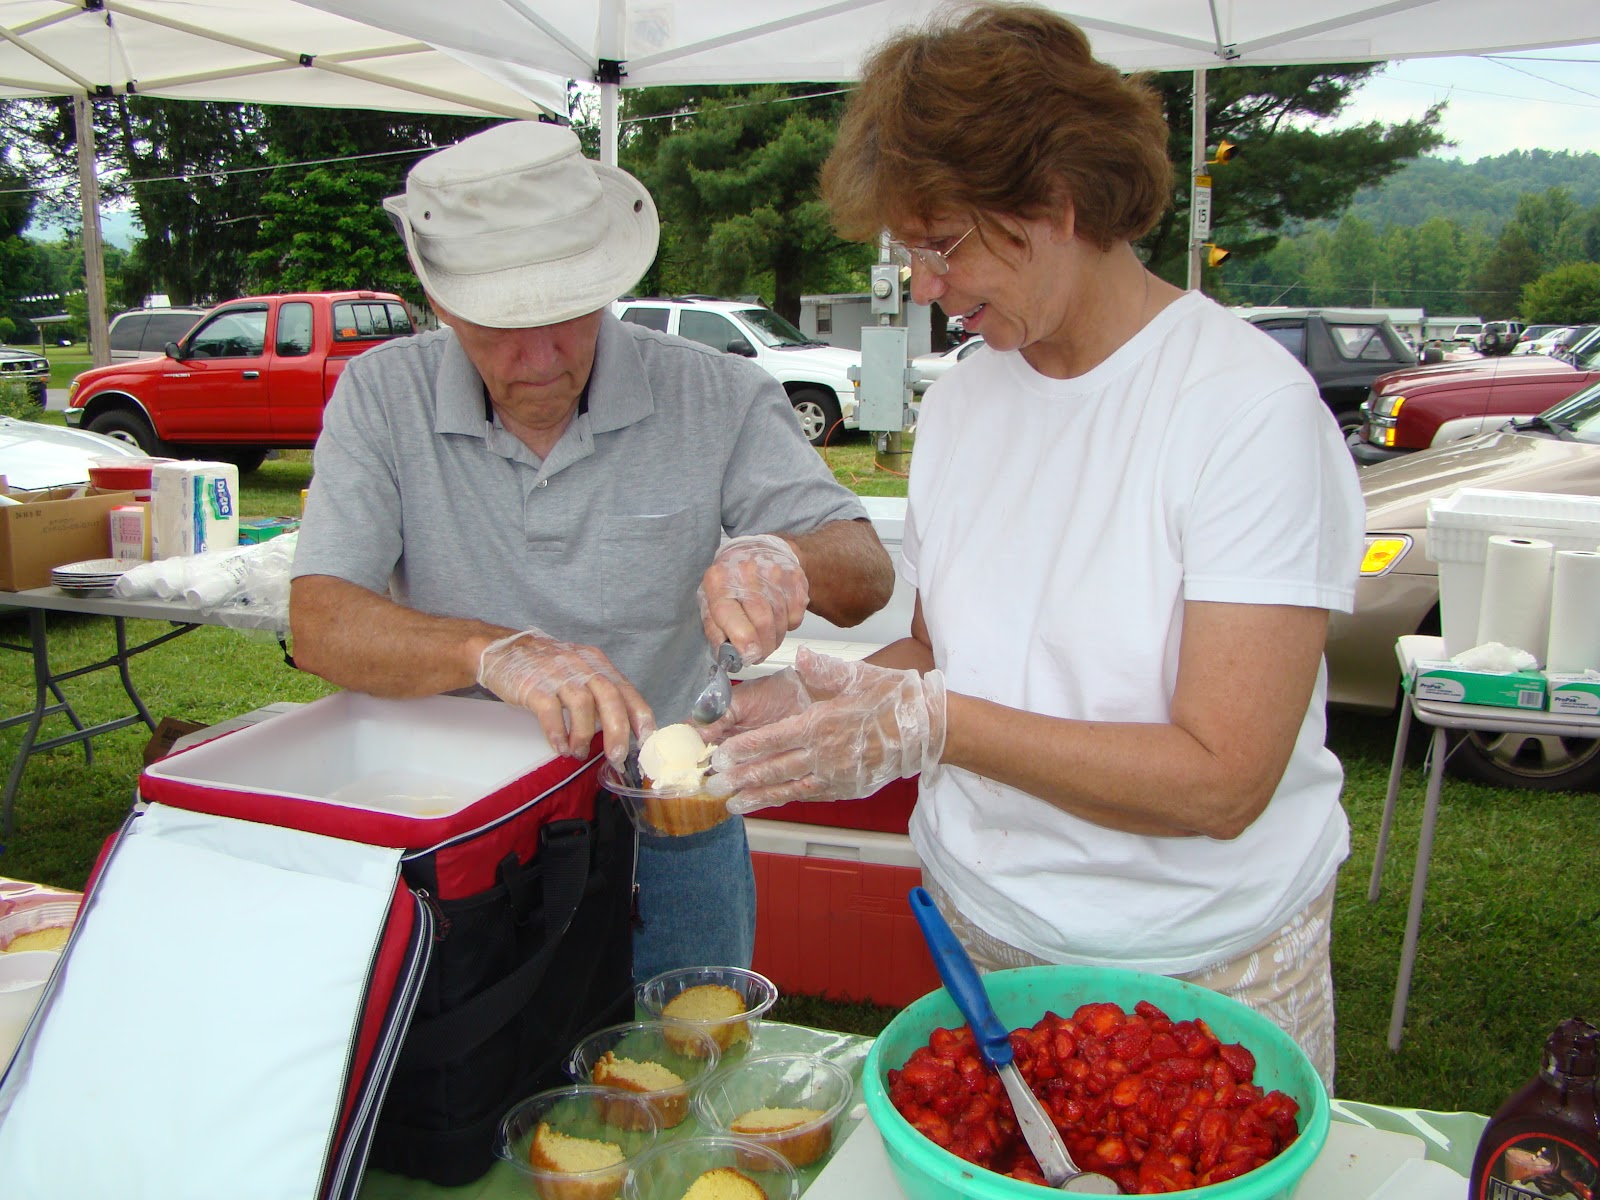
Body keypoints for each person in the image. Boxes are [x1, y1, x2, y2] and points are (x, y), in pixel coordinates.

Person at [704, 2, 1363, 1089]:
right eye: (906, 249)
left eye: (939, 242)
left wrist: (935, 727)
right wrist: (827, 702)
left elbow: (1221, 783)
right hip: (985, 928)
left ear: (1055, 204)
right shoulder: (966, 403)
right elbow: (941, 653)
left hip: (1201, 960)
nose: (922, 285)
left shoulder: (1243, 410)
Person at [288, 120, 895, 981]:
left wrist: (781, 558)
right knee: (481, 1084)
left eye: (567, 316)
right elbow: (319, 621)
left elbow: (867, 571)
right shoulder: (383, 394)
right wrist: (493, 652)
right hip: (462, 828)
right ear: (443, 304)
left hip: (672, 813)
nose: (539, 358)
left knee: (694, 1062)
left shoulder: (714, 392)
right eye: (500, 326)